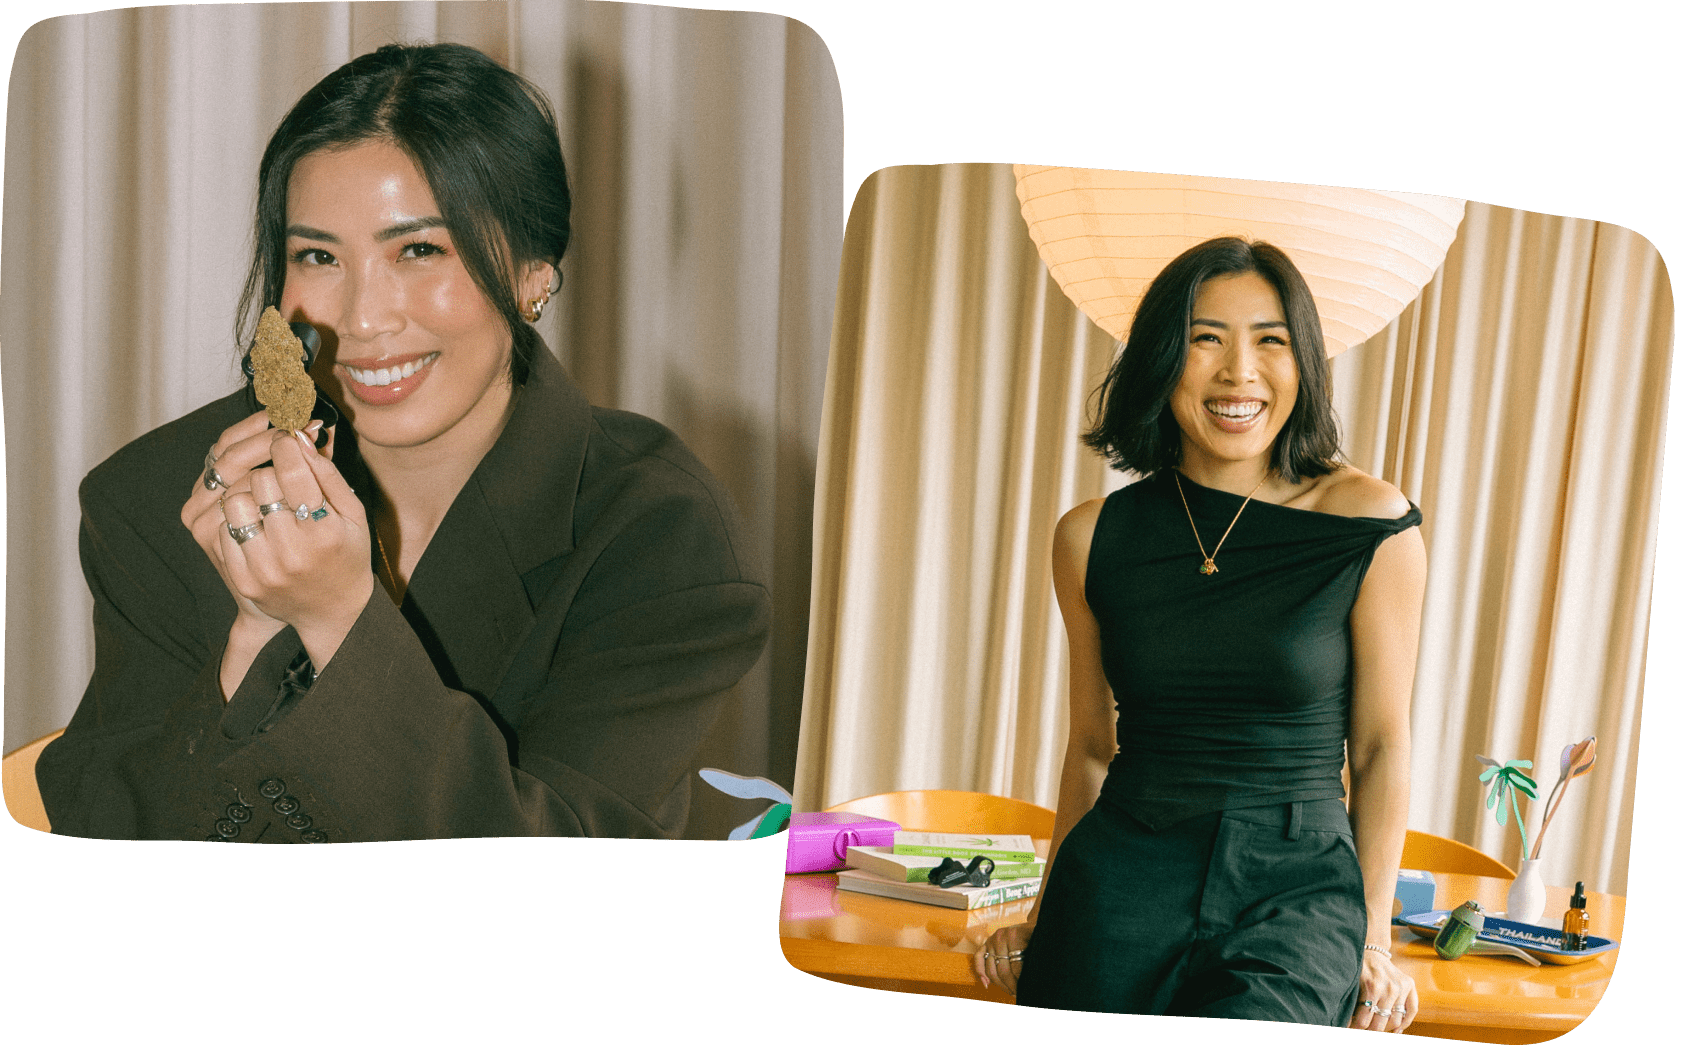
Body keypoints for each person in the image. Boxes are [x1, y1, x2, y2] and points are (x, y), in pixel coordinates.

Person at [38, 43, 771, 842]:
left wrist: (341, 622)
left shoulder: (657, 535)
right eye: (317, 256)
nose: (362, 319)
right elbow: (103, 839)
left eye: (420, 250)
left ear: (534, 271)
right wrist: (253, 638)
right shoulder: (155, 502)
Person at [972, 237, 1427, 1030]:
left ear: (1303, 364)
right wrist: (1045, 910)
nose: (1238, 372)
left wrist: (1374, 936)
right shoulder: (1089, 537)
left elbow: (1382, 747)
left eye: (1270, 340)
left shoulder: (1371, 524)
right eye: (1204, 338)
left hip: (1297, 886)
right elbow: (1088, 747)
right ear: (1161, 359)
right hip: (1121, 871)